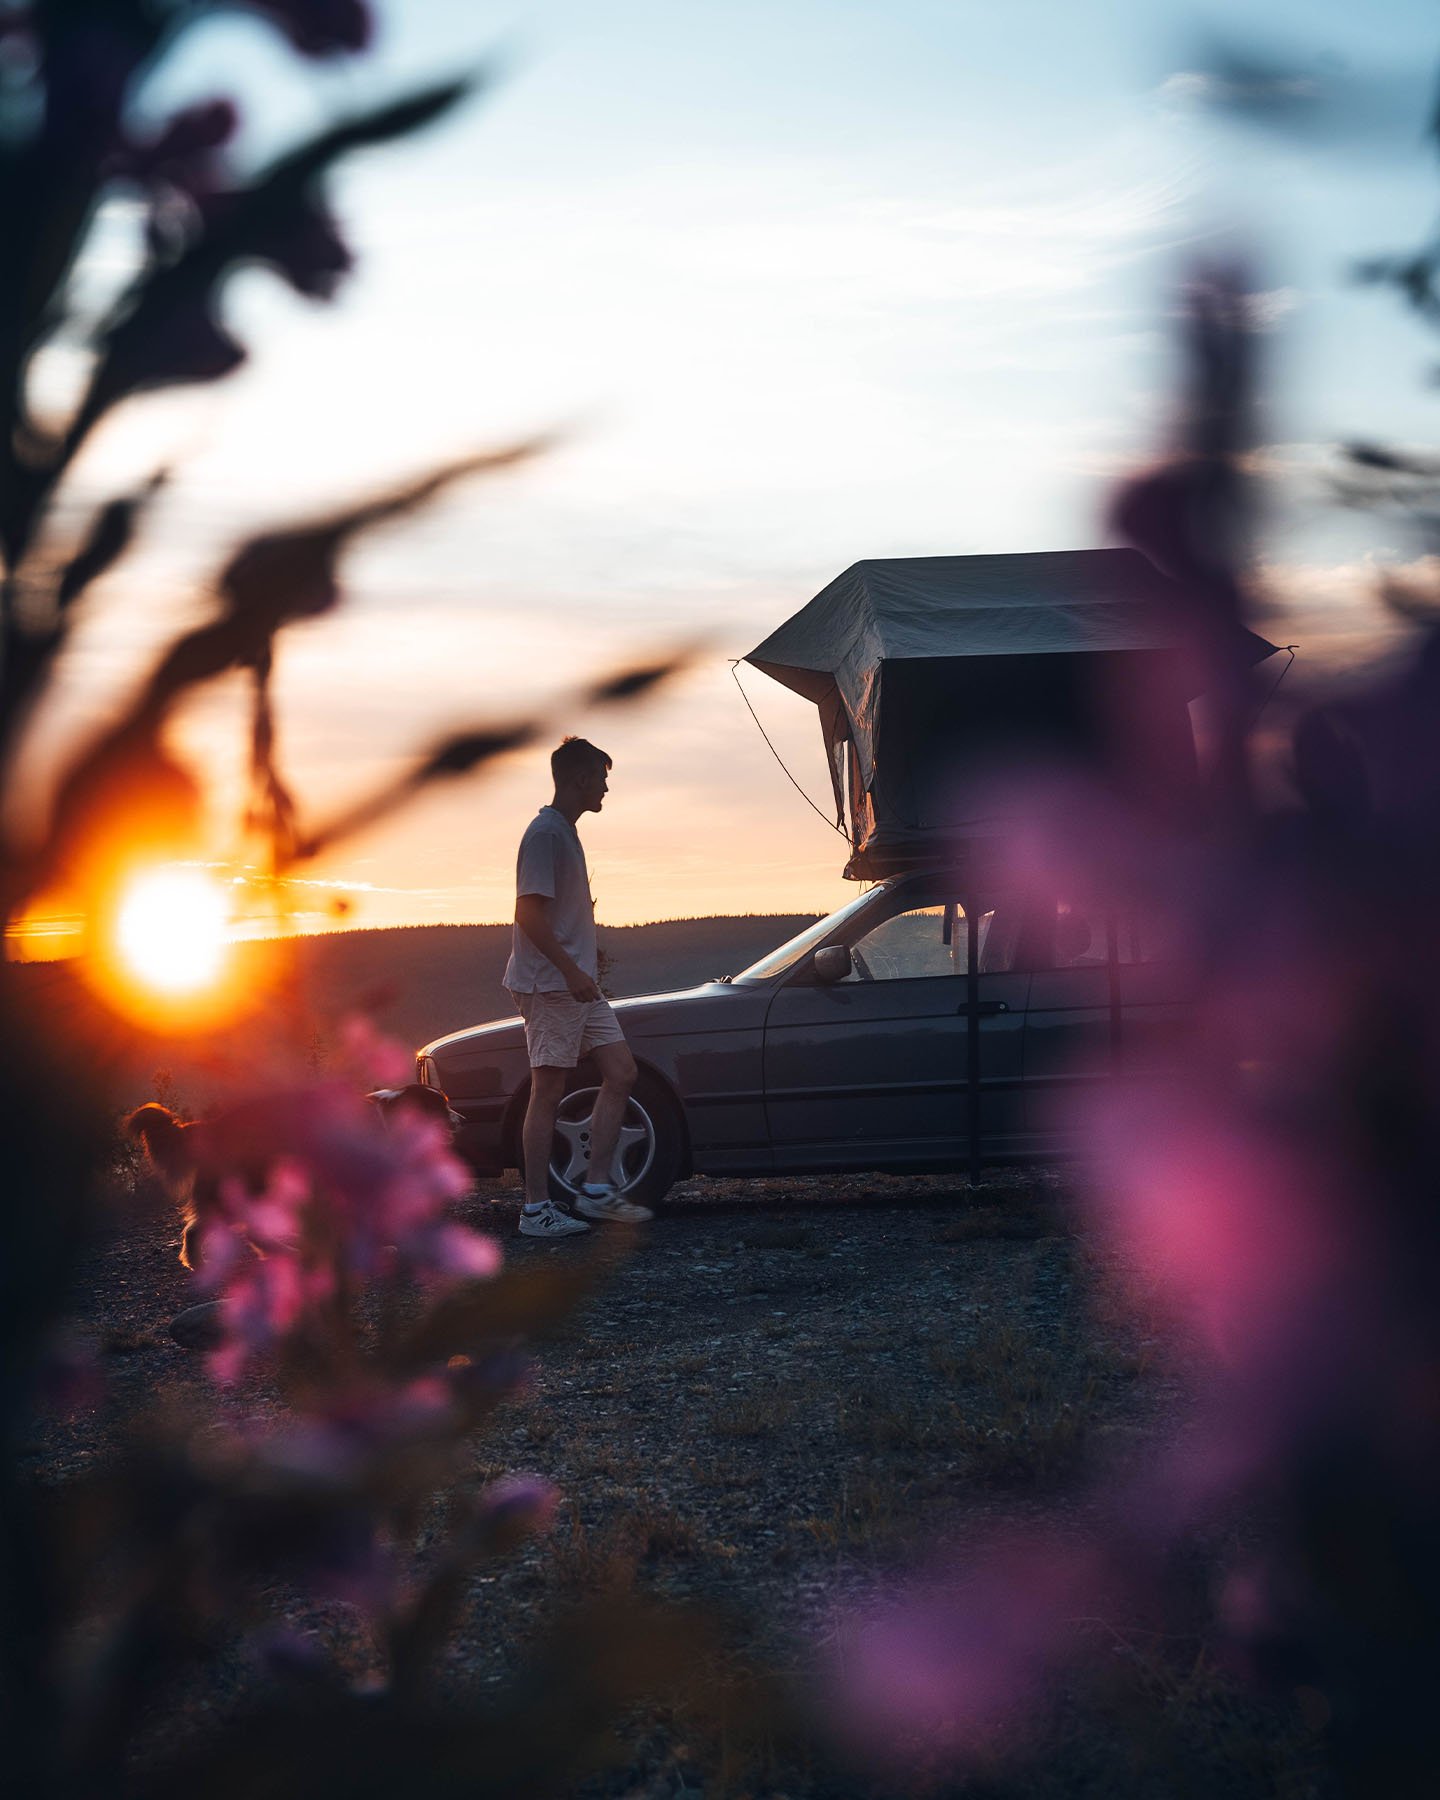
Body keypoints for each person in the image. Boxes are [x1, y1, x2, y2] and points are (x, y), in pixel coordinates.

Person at [503, 736, 651, 1238]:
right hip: (552, 987)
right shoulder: (545, 833)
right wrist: (569, 972)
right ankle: (535, 1210)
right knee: (546, 1092)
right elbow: (527, 913)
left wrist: (579, 975)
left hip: (577, 987)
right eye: (602, 777)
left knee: (622, 1071)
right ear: (580, 779)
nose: (607, 787)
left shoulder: (563, 831)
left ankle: (593, 1192)